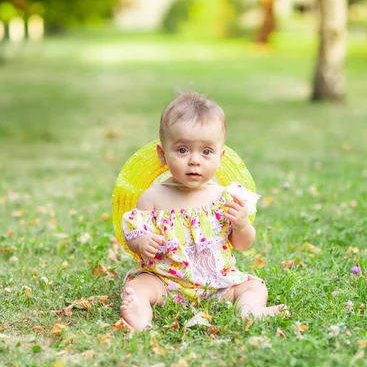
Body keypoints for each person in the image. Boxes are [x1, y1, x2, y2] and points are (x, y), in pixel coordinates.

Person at [120, 91, 288, 330]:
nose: (195, 160)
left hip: (218, 282)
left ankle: (250, 310)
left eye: (206, 152)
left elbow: (243, 244)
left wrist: (242, 225)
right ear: (162, 154)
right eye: (182, 150)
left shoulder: (225, 197)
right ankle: (140, 314)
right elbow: (133, 236)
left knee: (254, 286)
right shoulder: (153, 198)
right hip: (166, 282)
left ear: (220, 157)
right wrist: (142, 242)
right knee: (140, 286)